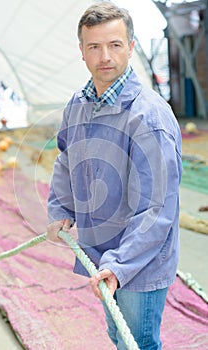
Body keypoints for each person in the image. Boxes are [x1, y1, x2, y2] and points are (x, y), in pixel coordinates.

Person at [47, 2, 182, 349]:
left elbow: (156, 209)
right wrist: (61, 207)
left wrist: (120, 266)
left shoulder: (149, 117)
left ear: (131, 47)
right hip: (101, 251)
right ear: (81, 51)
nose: (105, 55)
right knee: (117, 335)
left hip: (141, 260)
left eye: (115, 44)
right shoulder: (78, 104)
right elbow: (67, 158)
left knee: (137, 341)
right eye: (94, 46)